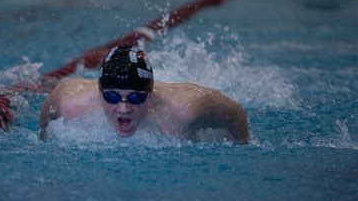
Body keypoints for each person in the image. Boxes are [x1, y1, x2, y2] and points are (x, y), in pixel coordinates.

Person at [40, 45, 249, 144]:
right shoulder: (70, 101)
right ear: (100, 91)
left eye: (135, 98)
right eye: (112, 97)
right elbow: (46, 116)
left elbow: (236, 113)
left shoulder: (186, 109)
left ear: (150, 93)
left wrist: (242, 147)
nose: (123, 108)